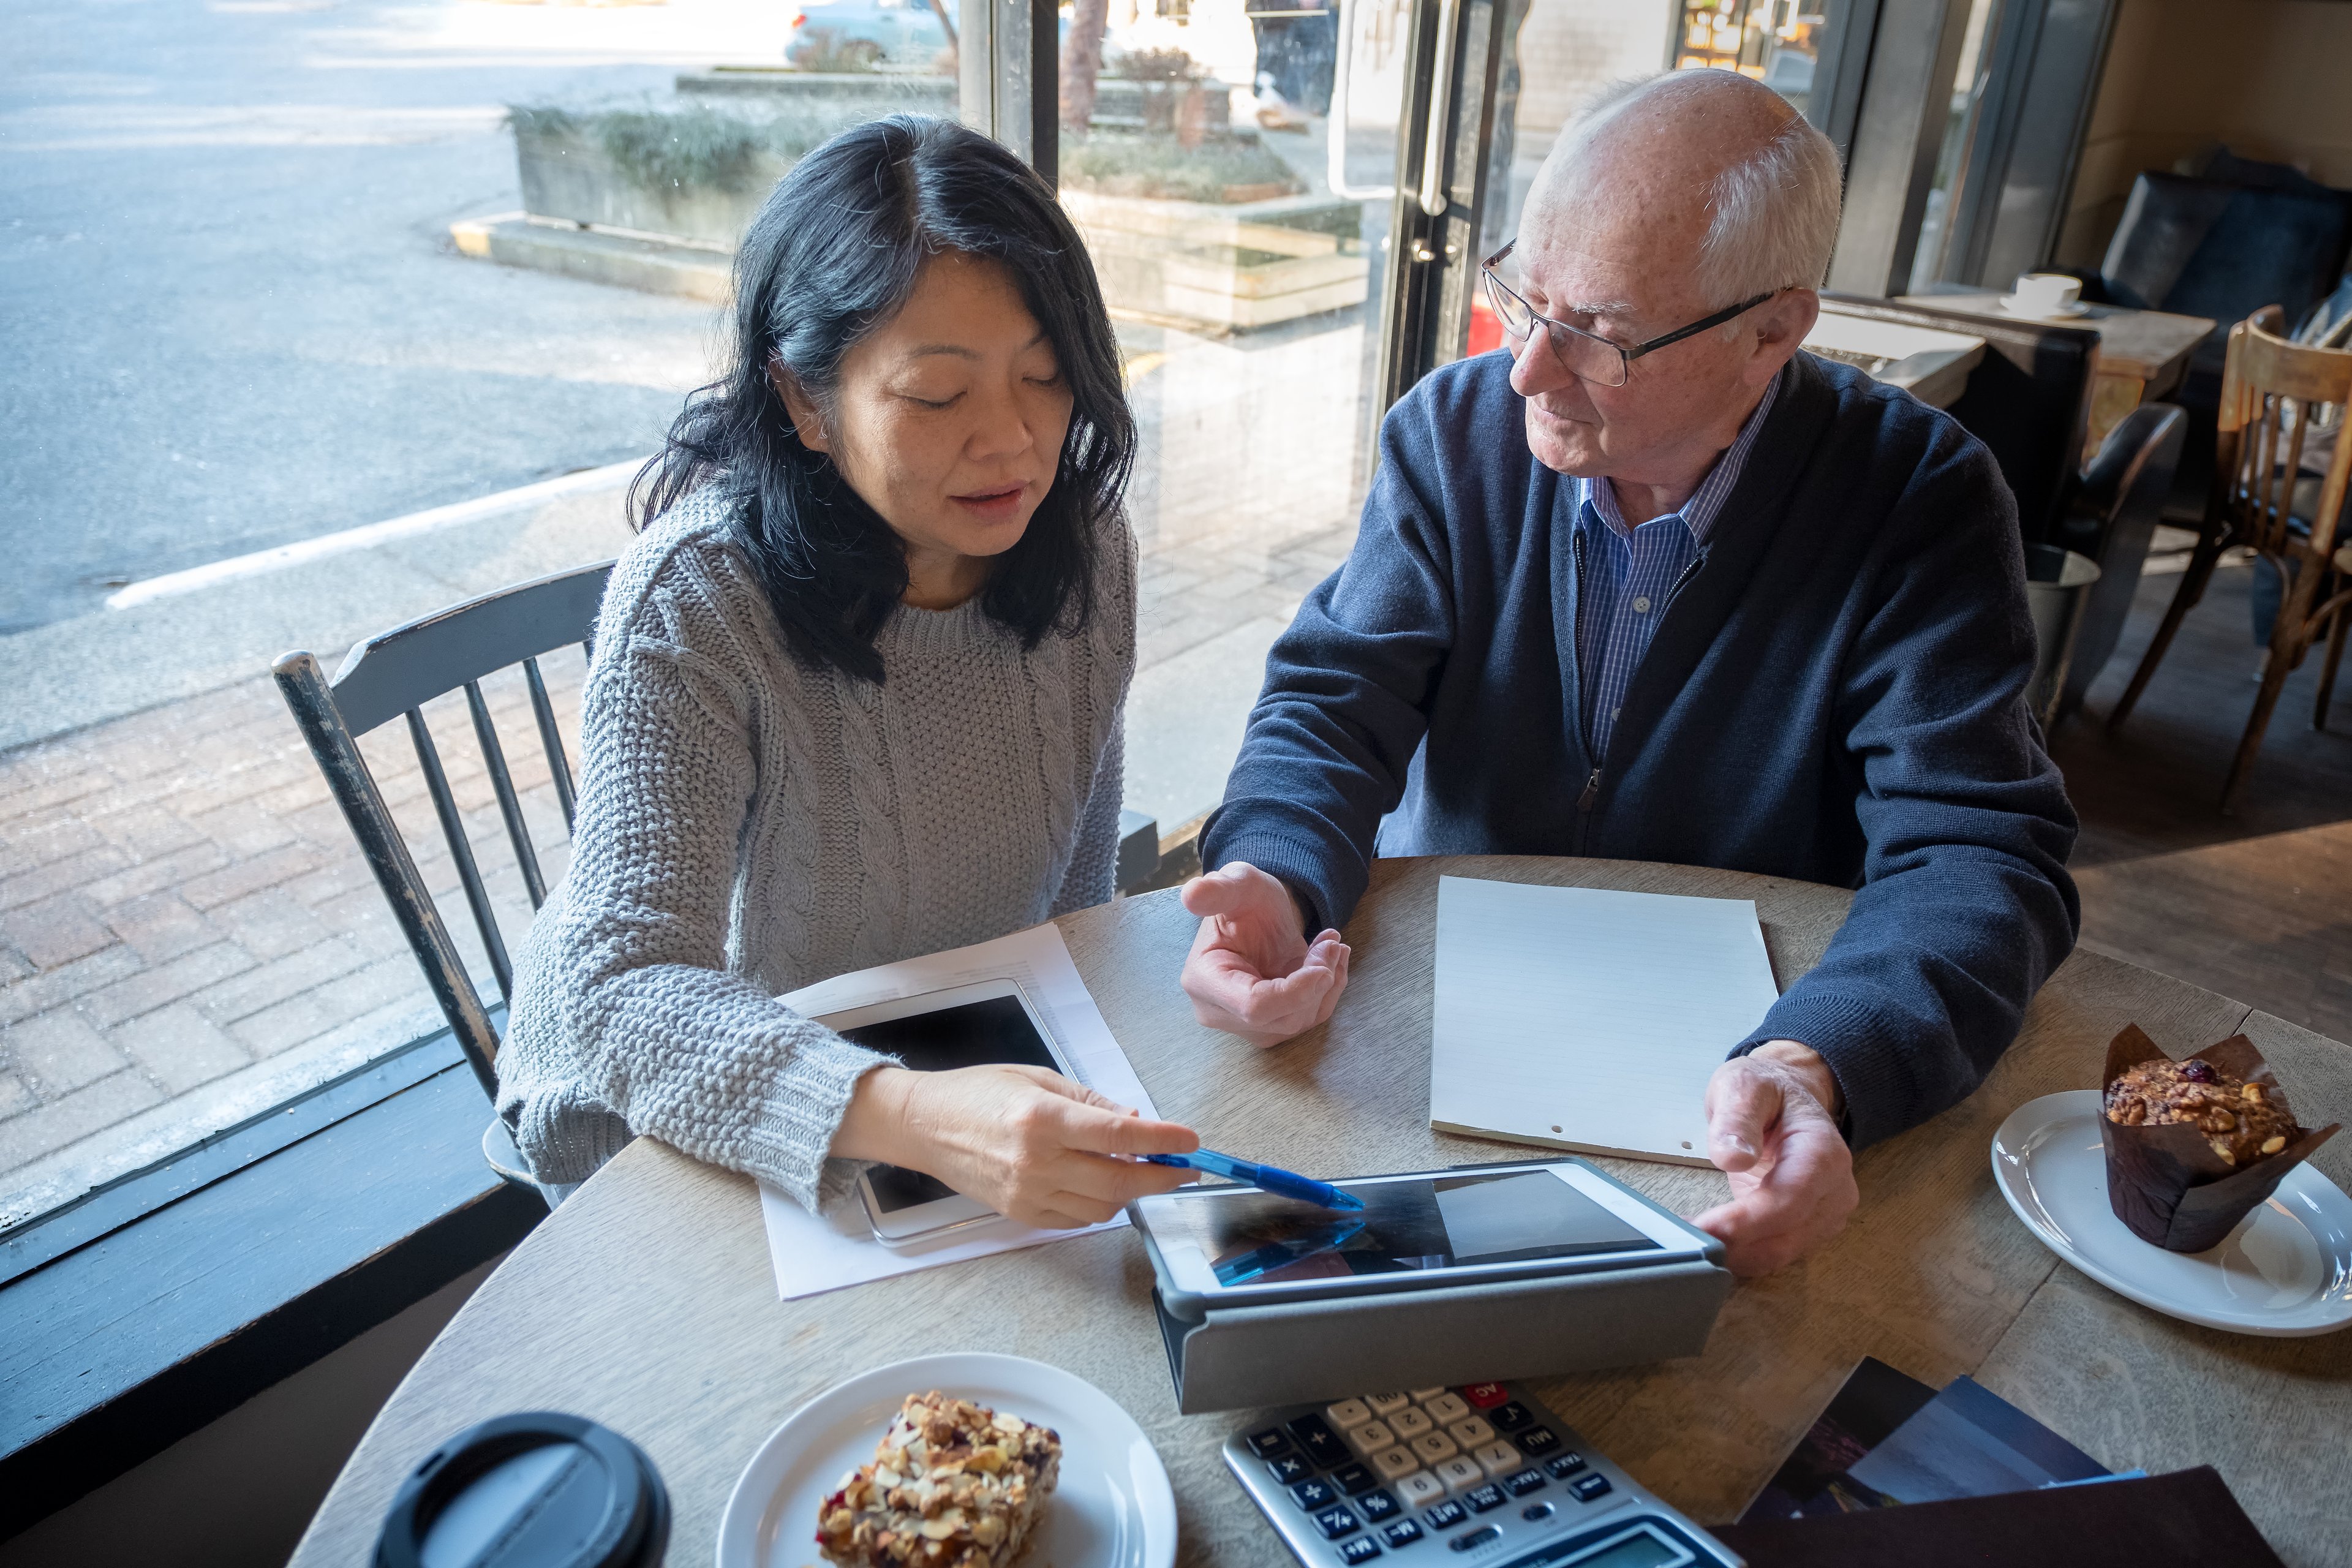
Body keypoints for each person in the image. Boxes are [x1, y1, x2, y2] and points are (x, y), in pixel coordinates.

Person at [1178, 70, 2080, 1277]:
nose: (1525, 372)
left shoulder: (1920, 495)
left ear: (1775, 331)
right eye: (1520, 298)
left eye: (1596, 335)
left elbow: (1979, 849)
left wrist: (1824, 1061)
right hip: (1446, 1011)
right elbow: (1335, 703)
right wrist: (1276, 875)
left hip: (1737, 1063)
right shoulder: (1454, 436)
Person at [497, 116, 1197, 1223]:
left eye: (1047, 375)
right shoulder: (697, 599)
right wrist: (912, 1114)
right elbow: (614, 994)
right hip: (683, 1109)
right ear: (803, 402)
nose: (1015, 441)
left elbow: (1070, 881)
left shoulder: (1085, 543)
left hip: (945, 1052)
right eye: (937, 395)